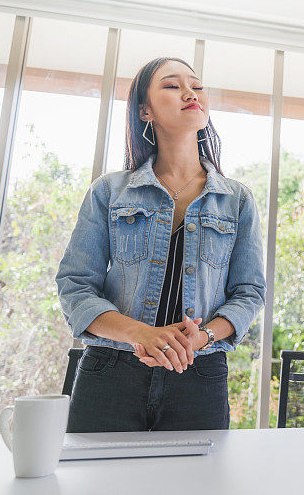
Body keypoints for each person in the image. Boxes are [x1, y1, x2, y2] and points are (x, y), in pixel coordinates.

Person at [56, 57, 265, 432]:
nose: (190, 92)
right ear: (145, 110)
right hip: (110, 371)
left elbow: (249, 293)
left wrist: (204, 336)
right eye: (172, 85)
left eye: (196, 86)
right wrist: (142, 334)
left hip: (199, 373)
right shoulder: (109, 191)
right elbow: (75, 286)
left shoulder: (237, 200)